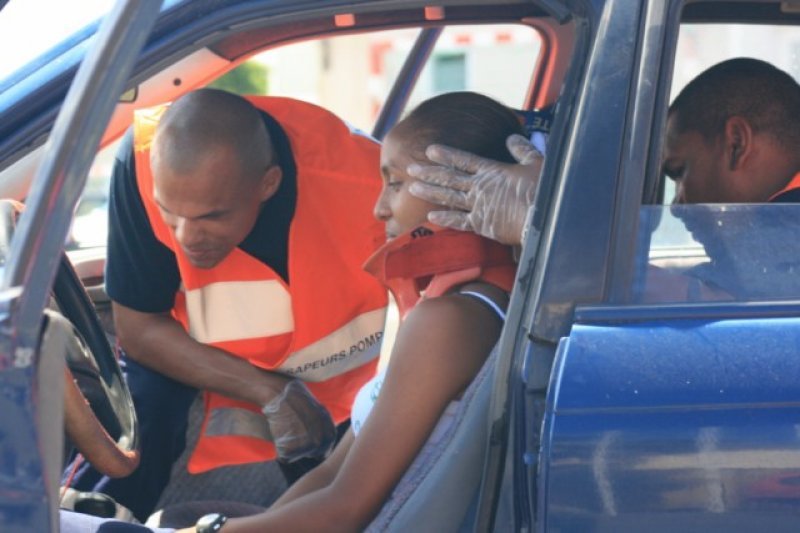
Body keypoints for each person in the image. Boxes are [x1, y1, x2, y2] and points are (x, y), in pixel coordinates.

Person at [61, 91, 523, 533]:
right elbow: (331, 482)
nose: (379, 206)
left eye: (395, 183)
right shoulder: (452, 307)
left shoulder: (446, 321)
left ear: (461, 192)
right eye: (169, 214)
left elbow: (342, 512)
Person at [66, 89, 389, 521]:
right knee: (143, 412)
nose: (186, 238)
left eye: (211, 217)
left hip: (348, 388)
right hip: (194, 346)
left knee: (352, 504)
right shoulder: (144, 161)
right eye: (169, 213)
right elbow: (139, 328)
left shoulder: (370, 185)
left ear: (268, 183)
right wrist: (266, 389)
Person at [408, 57, 800, 245]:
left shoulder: (786, 232)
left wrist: (542, 226)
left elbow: (712, 304)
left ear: (736, 143)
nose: (677, 206)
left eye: (679, 172)